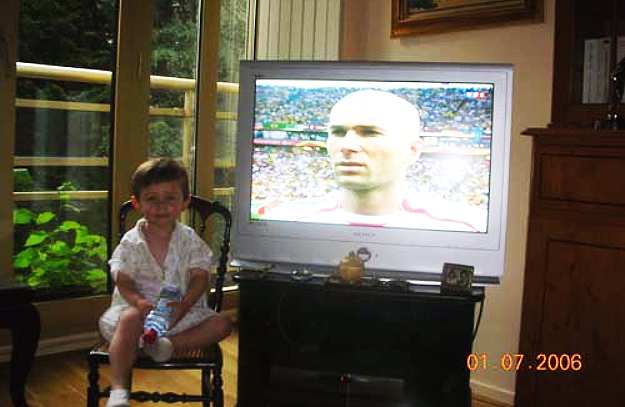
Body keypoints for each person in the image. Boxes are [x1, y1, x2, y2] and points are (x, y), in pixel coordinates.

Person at [98, 158, 232, 407]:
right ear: (137, 203)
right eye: (151, 198)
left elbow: (200, 277)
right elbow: (123, 280)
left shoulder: (189, 239)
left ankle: (166, 346)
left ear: (184, 202)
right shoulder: (131, 242)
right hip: (136, 314)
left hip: (179, 315)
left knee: (222, 324)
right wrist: (138, 302)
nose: (161, 206)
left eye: (170, 198)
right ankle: (119, 391)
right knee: (128, 319)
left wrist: (185, 304)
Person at [258, 89, 484, 232]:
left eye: (369, 133)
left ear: (412, 151)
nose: (346, 145)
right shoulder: (282, 222)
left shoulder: (464, 228)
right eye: (338, 132)